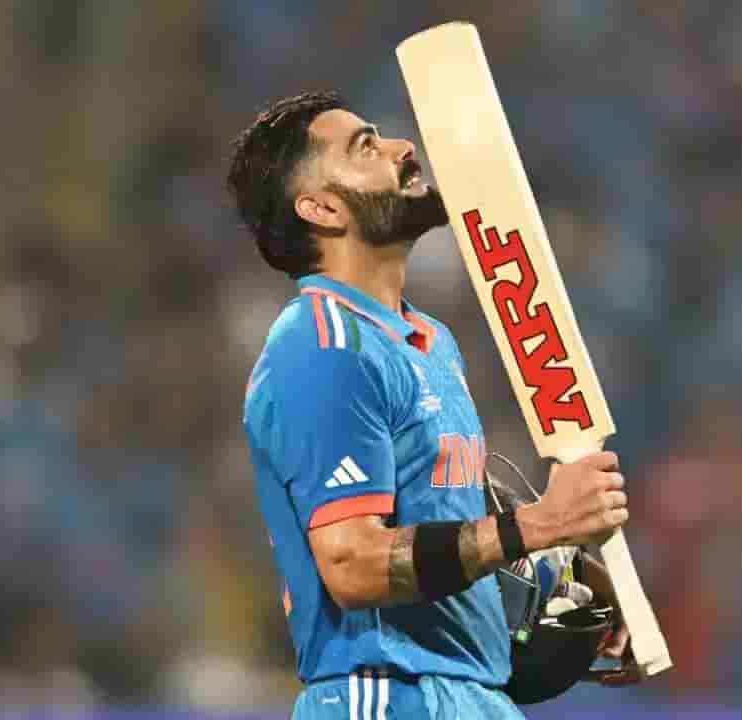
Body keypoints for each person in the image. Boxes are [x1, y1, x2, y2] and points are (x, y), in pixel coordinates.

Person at [227, 91, 636, 719]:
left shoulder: (429, 341)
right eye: (366, 146)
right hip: (385, 694)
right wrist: (539, 525)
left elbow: (447, 501)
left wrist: (565, 572)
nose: (402, 147)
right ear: (321, 208)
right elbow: (352, 563)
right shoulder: (321, 346)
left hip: (471, 696)